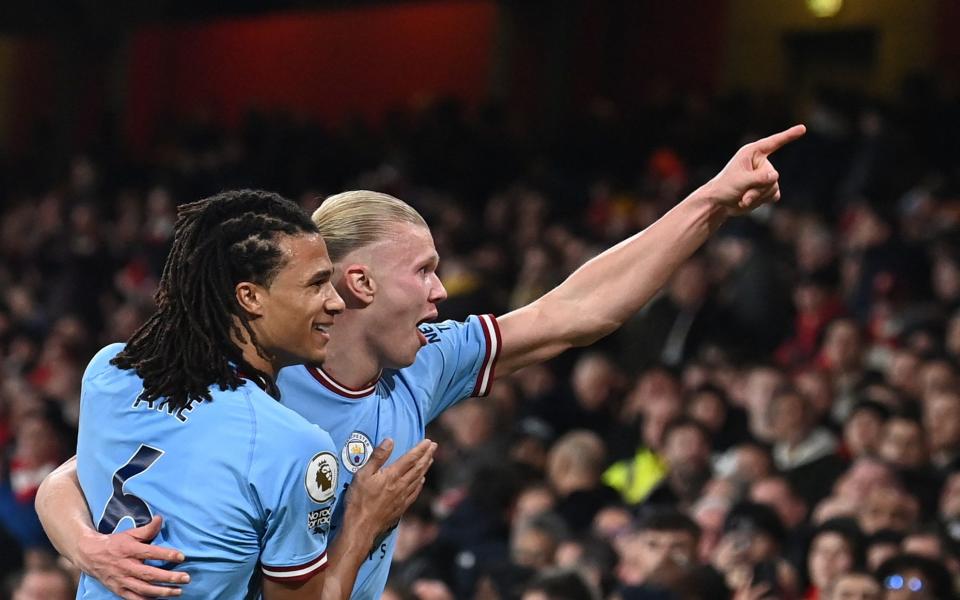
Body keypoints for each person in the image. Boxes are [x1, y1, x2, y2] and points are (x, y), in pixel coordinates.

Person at [37, 126, 806, 598]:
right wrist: (91, 552)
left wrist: (707, 200)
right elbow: (68, 480)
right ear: (359, 281)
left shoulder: (420, 364)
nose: (443, 291)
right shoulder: (250, 394)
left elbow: (576, 313)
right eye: (427, 268)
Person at [38, 190, 435, 599]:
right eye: (317, 284)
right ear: (250, 297)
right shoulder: (292, 445)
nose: (335, 302)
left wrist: (88, 549)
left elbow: (63, 480)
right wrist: (362, 525)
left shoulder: (113, 371)